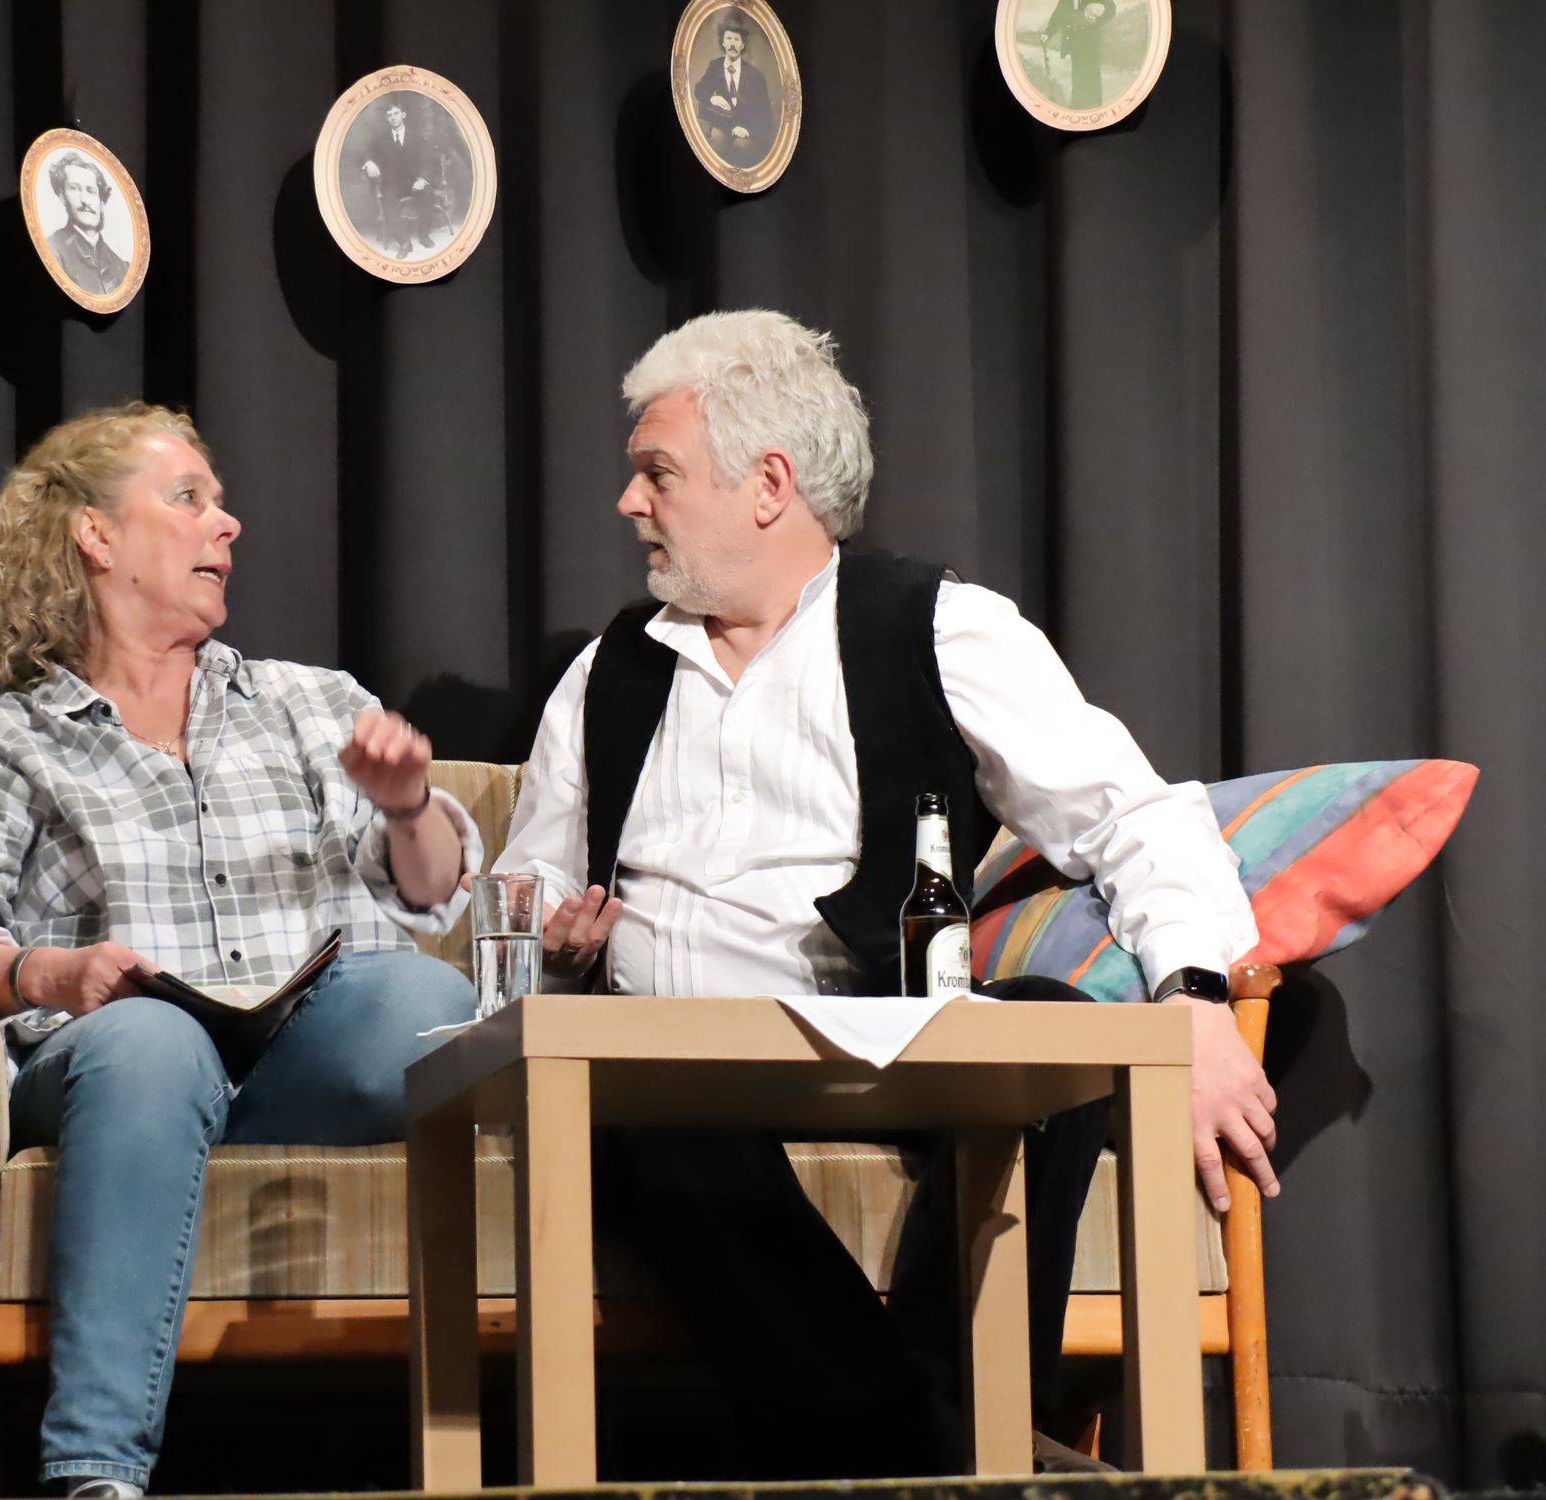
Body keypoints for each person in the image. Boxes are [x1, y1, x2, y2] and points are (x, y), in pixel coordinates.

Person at [493, 310, 1277, 1476]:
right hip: (677, 1059)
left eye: (656, 473)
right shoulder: (610, 670)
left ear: (768, 485)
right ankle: (949, 1453)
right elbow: (527, 889)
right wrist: (555, 935)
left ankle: (909, 1442)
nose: (627, 502)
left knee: (1057, 1032)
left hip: (887, 1029)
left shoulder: (939, 629)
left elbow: (1132, 813)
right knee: (632, 1103)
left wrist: (1197, 1004)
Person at [0, 403, 478, 1498]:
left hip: (305, 1055)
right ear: (96, 535)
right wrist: (43, 973)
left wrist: (406, 805)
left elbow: (432, 888)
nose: (226, 524)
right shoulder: (14, 745)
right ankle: (94, 1473)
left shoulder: (307, 705)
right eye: (189, 498)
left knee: (424, 998)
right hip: (116, 1063)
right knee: (151, 1044)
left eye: (221, 502)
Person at [693, 9, 775, 168]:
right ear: (723, 42)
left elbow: (766, 114)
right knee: (715, 141)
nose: (732, 44)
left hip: (747, 131)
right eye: (728, 38)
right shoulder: (715, 66)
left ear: (742, 44)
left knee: (740, 147)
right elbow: (699, 89)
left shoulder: (755, 75)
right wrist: (712, 98)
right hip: (724, 126)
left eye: (736, 39)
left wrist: (748, 131)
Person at [46, 149, 130, 296]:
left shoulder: (123, 268)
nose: (84, 200)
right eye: (74, 189)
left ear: (101, 201)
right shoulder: (52, 251)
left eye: (91, 191)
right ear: (62, 196)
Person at [358, 99, 435, 256]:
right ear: (387, 118)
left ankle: (424, 235)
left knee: (428, 193)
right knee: (388, 203)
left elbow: (427, 159)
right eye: (389, 115)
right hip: (392, 183)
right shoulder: (381, 139)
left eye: (396, 113)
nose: (393, 117)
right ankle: (404, 243)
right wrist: (369, 162)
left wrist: (422, 179)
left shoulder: (416, 136)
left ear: (403, 115)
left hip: (414, 182)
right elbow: (366, 153)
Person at [1042, 0, 1118, 110]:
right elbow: (1058, 16)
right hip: (1075, 43)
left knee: (1092, 74)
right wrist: (1048, 33)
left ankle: (1094, 106)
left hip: (1091, 43)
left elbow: (1111, 8)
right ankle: (1078, 106)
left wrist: (1098, 19)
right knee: (1078, 74)